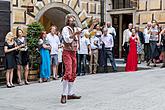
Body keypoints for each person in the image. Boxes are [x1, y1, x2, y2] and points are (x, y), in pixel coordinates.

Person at [61, 14, 82, 104]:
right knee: (68, 72)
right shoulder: (65, 29)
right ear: (67, 21)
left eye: (73, 20)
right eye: (71, 20)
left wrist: (92, 25)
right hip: (67, 52)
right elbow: (67, 40)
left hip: (74, 52)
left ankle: (70, 93)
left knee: (73, 72)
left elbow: (86, 33)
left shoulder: (76, 29)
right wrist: (74, 34)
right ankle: (63, 94)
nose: (73, 21)